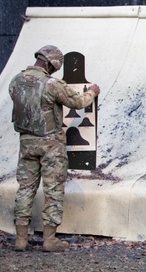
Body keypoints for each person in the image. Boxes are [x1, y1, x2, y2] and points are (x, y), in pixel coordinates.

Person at [8, 45, 100, 252]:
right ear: (53, 63)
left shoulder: (16, 81)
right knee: (53, 190)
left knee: (25, 189)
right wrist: (92, 92)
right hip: (51, 146)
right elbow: (78, 102)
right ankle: (49, 240)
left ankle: (21, 239)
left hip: (26, 143)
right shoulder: (51, 84)